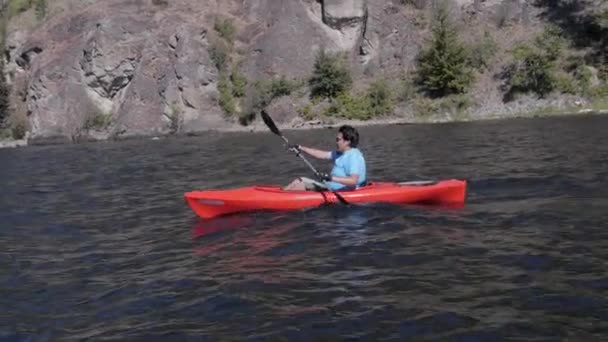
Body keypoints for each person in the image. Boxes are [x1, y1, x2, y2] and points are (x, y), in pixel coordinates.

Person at [283, 125, 367, 191]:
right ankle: (281, 194)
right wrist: (300, 147)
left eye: (338, 139)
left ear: (347, 142)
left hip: (341, 191)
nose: (336, 141)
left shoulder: (353, 157)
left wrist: (330, 178)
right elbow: (321, 154)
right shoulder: (340, 153)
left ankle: (281, 199)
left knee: (300, 184)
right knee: (299, 180)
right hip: (329, 187)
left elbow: (353, 181)